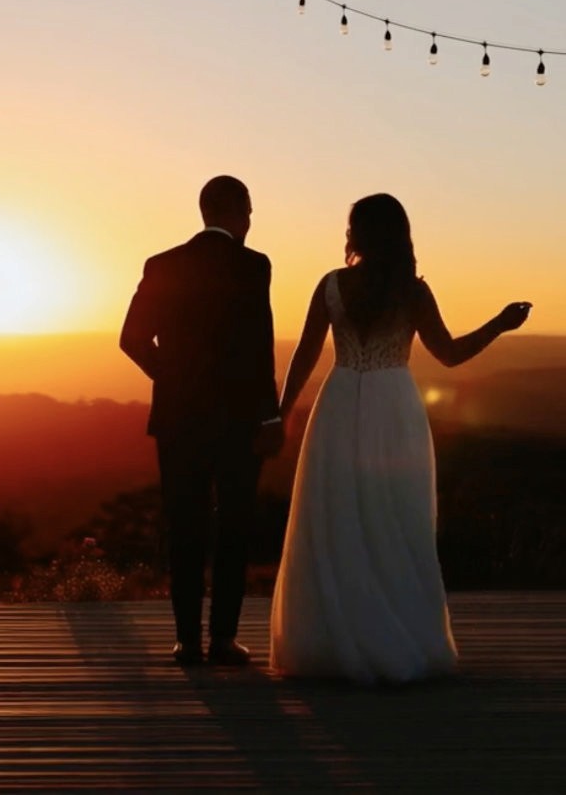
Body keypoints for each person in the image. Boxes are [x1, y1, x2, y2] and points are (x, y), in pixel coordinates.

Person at [269, 193, 531, 684]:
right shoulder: (412, 292)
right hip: (395, 408)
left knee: (337, 518)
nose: (345, 233)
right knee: (396, 520)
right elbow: (450, 355)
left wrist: (281, 416)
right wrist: (499, 323)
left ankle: (332, 639)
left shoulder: (331, 284)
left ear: (361, 233)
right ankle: (399, 635)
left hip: (340, 401)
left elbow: (304, 356)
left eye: (350, 225)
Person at [120, 175, 284, 666]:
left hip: (177, 418)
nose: (251, 221)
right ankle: (223, 640)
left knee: (184, 525)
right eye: (250, 211)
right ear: (239, 212)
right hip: (239, 419)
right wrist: (270, 415)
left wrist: (169, 377)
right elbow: (261, 348)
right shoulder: (254, 266)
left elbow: (131, 339)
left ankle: (186, 641)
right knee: (233, 526)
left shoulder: (162, 264)